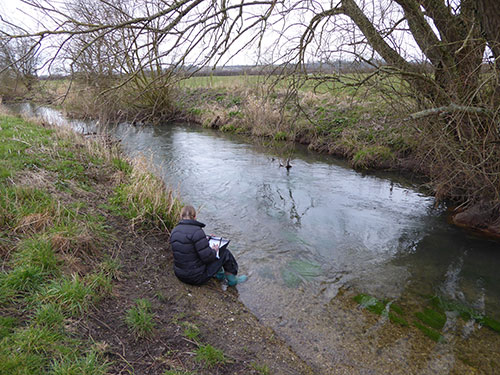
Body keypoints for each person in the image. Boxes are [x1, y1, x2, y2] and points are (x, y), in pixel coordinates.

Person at [169, 205, 247, 287]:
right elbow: (208, 258)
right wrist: (215, 250)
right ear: (195, 217)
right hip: (195, 277)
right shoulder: (197, 231)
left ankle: (219, 275)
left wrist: (205, 239)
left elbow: (187, 247)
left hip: (180, 274)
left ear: (181, 216)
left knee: (205, 252)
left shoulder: (174, 231)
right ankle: (232, 280)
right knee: (225, 253)